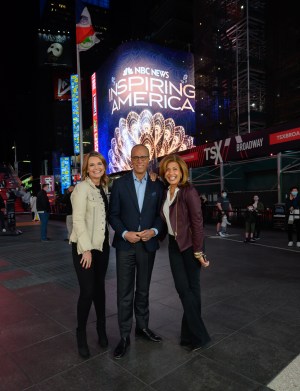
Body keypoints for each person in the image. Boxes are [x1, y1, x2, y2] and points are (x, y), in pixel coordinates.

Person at [108, 144, 165, 359]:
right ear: (130, 160)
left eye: (143, 157)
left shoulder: (157, 185)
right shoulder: (120, 184)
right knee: (124, 293)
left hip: (147, 245)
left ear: (149, 159)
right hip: (125, 246)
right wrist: (124, 234)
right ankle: (124, 336)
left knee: (143, 290)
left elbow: (161, 215)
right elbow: (113, 215)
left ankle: (142, 328)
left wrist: (155, 230)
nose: (140, 161)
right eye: (136, 157)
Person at [159, 154, 211, 351]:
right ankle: (190, 335)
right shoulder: (166, 192)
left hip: (190, 245)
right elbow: (167, 220)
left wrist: (198, 250)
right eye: (168, 169)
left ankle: (195, 336)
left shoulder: (189, 192)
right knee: (184, 290)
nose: (172, 173)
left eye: (175, 169)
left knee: (192, 289)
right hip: (174, 245)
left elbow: (198, 223)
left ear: (182, 172)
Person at [69, 151, 110, 359]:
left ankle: (101, 330)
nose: (96, 168)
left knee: (100, 289)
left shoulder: (103, 187)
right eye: (92, 165)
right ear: (87, 168)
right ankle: (81, 334)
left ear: (104, 166)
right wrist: (86, 249)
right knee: (87, 291)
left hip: (102, 247)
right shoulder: (82, 188)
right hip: (83, 248)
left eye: (99, 164)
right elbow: (77, 220)